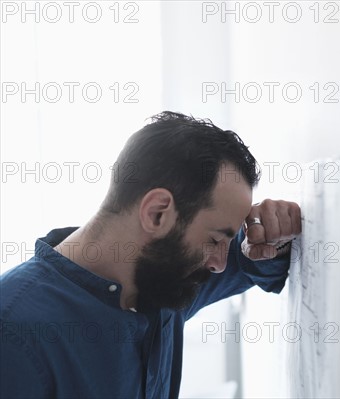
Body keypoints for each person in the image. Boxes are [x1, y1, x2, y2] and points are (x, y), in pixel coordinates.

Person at [0, 111, 302, 398]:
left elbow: (253, 261)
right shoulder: (14, 330)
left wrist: (270, 232)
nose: (219, 264)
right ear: (157, 213)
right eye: (214, 240)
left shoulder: (162, 277)